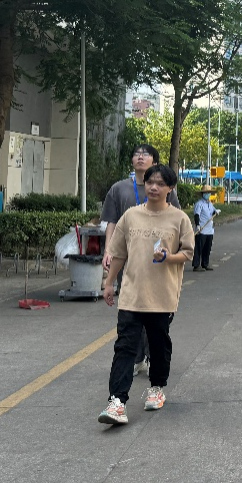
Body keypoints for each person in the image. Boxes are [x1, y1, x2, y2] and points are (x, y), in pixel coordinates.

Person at [98, 164, 195, 425]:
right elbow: (118, 253)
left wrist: (168, 257)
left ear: (170, 188)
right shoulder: (131, 216)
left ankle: (157, 387)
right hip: (132, 294)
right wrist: (109, 283)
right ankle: (117, 402)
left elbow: (187, 253)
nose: (153, 187)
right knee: (125, 347)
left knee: (158, 344)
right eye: (150, 182)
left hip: (162, 296)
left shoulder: (179, 219)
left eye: (160, 183)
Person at [102, 144, 181, 378]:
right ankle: (137, 357)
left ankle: (150, 353)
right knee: (131, 308)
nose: (140, 157)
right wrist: (109, 250)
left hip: (157, 259)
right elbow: (112, 222)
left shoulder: (166, 189)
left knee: (155, 309)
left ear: (155, 161)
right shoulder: (119, 189)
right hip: (128, 257)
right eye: (136, 153)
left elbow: (175, 222)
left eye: (145, 154)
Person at [192, 185, 220, 272]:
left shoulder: (210, 204)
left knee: (207, 248)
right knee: (199, 248)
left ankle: (205, 264)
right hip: (201, 230)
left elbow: (213, 212)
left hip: (209, 230)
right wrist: (197, 225)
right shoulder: (199, 204)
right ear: (202, 194)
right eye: (206, 193)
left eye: (208, 193)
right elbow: (196, 215)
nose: (207, 194)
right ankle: (196, 265)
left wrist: (216, 212)